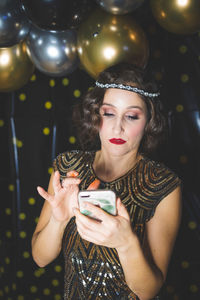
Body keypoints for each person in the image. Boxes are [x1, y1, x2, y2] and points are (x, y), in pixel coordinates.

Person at [32, 63, 182, 300]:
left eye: (131, 116)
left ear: (149, 121)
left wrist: (125, 244)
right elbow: (40, 258)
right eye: (109, 113)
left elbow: (148, 291)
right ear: (95, 114)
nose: (117, 127)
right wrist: (58, 222)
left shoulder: (162, 185)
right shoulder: (68, 167)